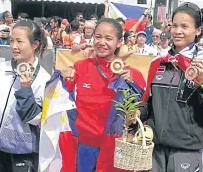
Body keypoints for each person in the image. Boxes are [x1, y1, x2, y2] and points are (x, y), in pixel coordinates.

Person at [141, 2, 203, 172]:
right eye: (174, 25)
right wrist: (136, 112)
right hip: (155, 151)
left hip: (186, 152)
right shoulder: (158, 62)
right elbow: (148, 103)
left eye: (185, 26)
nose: (178, 31)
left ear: (198, 31)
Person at [60, 18, 146, 172]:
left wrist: (131, 84)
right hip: (85, 146)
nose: (101, 42)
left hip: (114, 148)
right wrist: (65, 80)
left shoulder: (131, 74)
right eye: (97, 37)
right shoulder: (80, 68)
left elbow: (141, 111)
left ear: (119, 42)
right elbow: (63, 102)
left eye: (108, 38)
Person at [0, 20, 51, 172]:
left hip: (22, 154)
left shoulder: (44, 79)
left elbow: (36, 119)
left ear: (35, 45)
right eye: (12, 41)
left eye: (20, 41)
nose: (14, 46)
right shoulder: (0, 70)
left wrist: (26, 90)